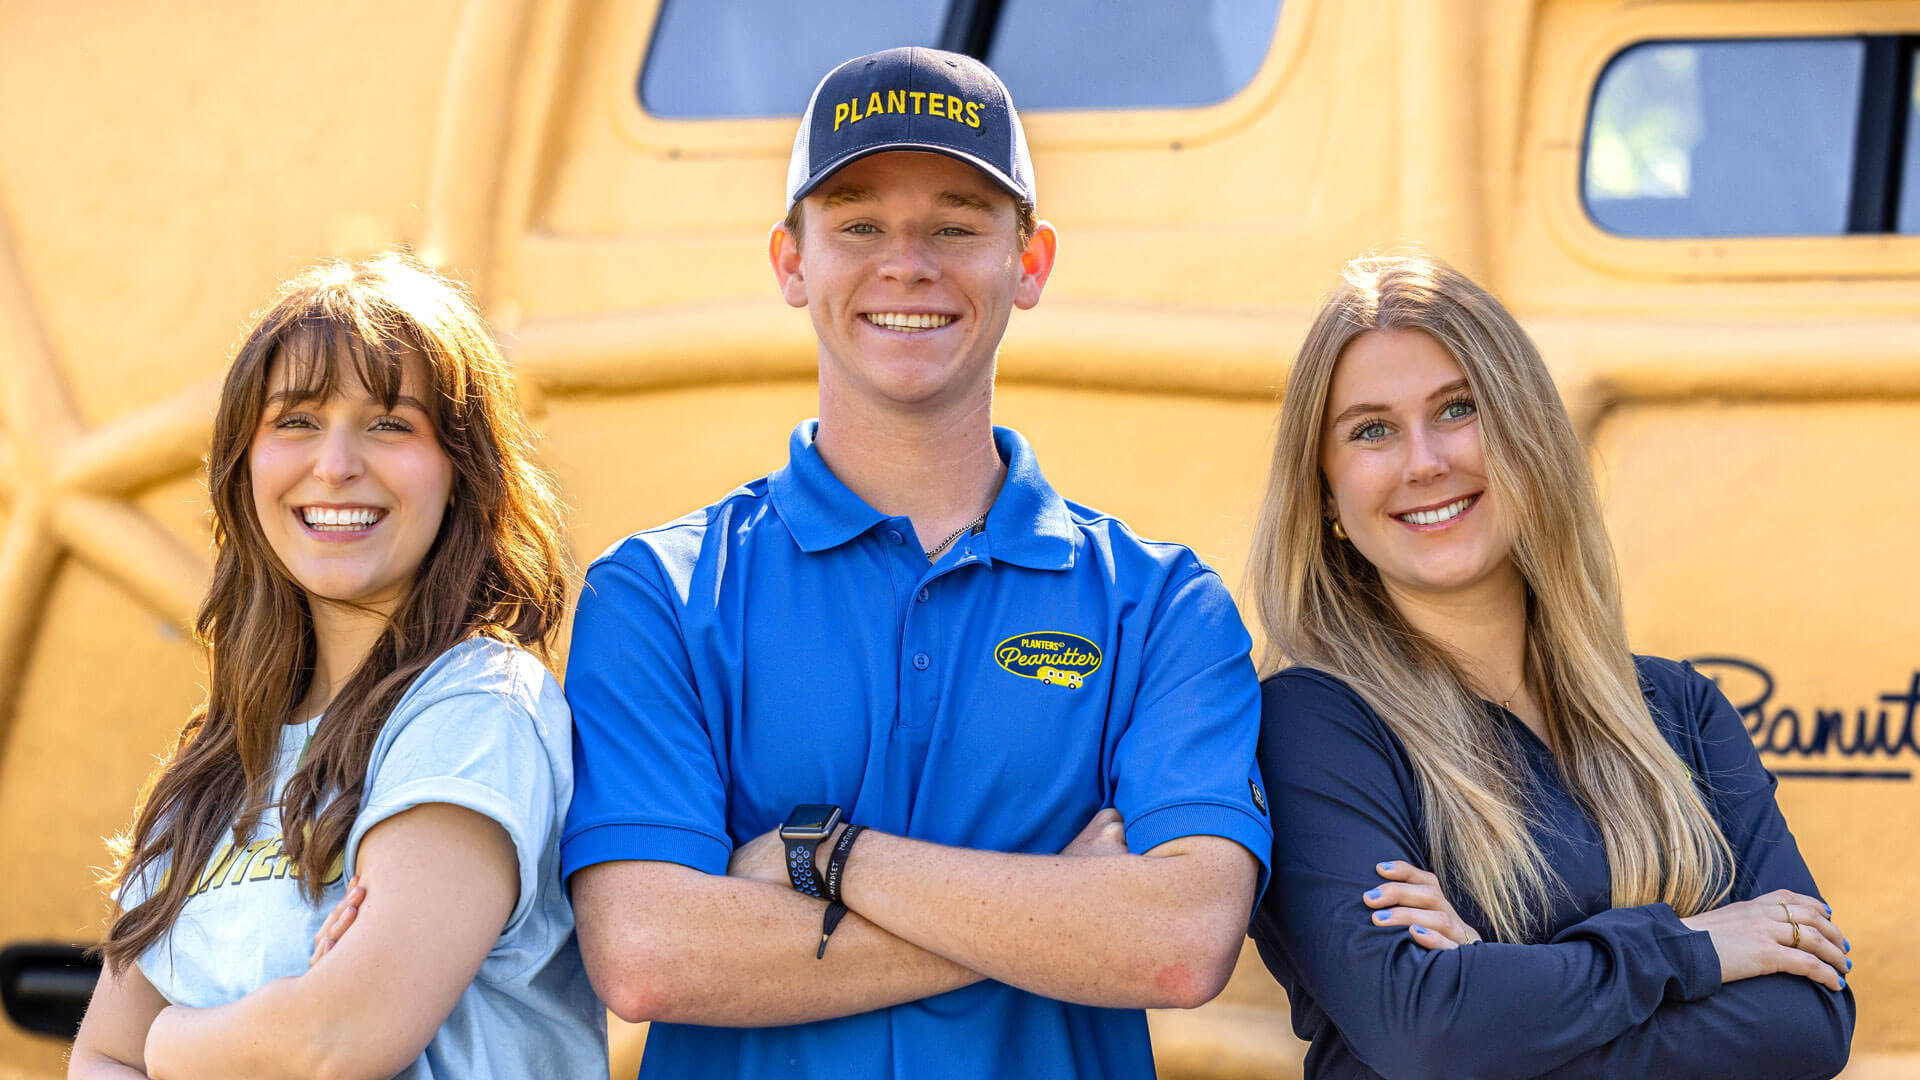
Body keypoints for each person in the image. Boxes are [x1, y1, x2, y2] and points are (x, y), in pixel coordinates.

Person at [561, 46, 1271, 1080]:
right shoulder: (658, 597)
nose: (907, 263)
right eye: (856, 224)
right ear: (790, 262)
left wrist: (825, 858)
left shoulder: (1162, 609)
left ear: (1029, 265)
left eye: (955, 224)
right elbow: (649, 957)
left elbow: (1176, 943)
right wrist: (1053, 916)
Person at [1244, 252, 1855, 1079]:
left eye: (1458, 409)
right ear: (1325, 493)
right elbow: (1424, 1029)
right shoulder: (1312, 728)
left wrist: (1495, 983)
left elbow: (1808, 1023)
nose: (1424, 461)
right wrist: (1694, 946)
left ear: (1526, 433)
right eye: (1372, 430)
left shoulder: (1680, 711)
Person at [70, 254, 606, 1079]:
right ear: (243, 466)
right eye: (296, 421)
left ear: (462, 472)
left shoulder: (476, 709)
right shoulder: (212, 771)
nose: (336, 465)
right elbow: (98, 1058)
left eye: (391, 423)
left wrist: (172, 1043)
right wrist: (260, 1032)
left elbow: (334, 1044)